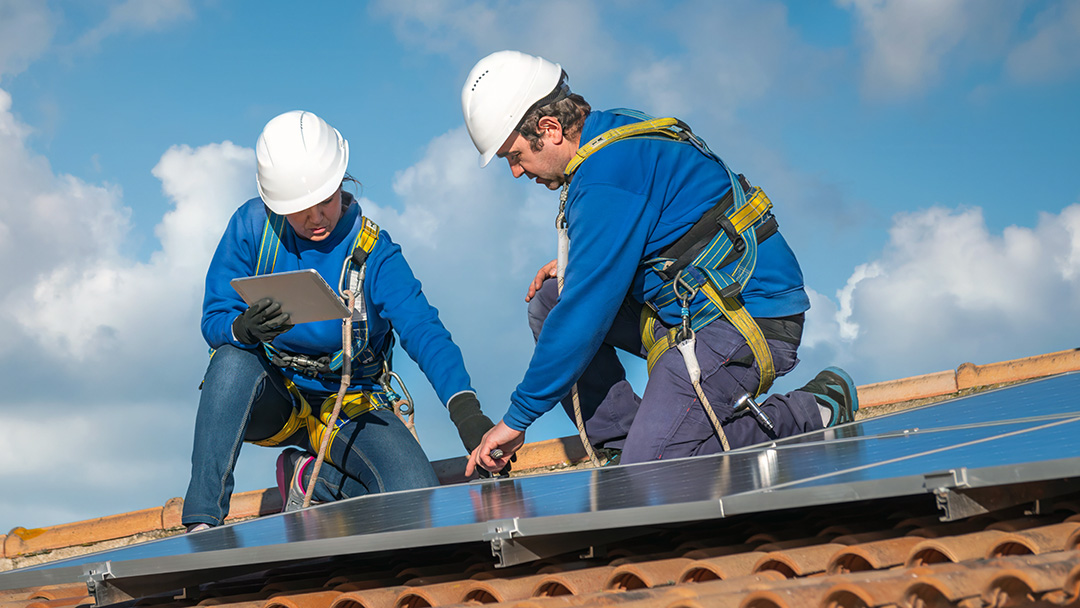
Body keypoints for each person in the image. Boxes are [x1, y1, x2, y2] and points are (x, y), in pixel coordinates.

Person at [460, 51, 858, 475]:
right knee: (550, 300)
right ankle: (622, 442)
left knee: (653, 475)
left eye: (514, 156)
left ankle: (813, 410)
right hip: (696, 303)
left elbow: (583, 315)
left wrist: (516, 419)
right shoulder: (612, 133)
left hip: (747, 316)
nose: (517, 172)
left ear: (550, 128)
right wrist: (593, 264)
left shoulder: (605, 176)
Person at [182, 110, 495, 531]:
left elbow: (425, 332)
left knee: (414, 496)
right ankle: (202, 522)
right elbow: (215, 316)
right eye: (300, 210)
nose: (316, 219)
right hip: (275, 399)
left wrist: (467, 414)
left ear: (342, 183)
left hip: (348, 403)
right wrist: (241, 330)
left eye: (325, 202)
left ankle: (312, 478)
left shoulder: (374, 252)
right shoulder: (252, 228)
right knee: (230, 359)